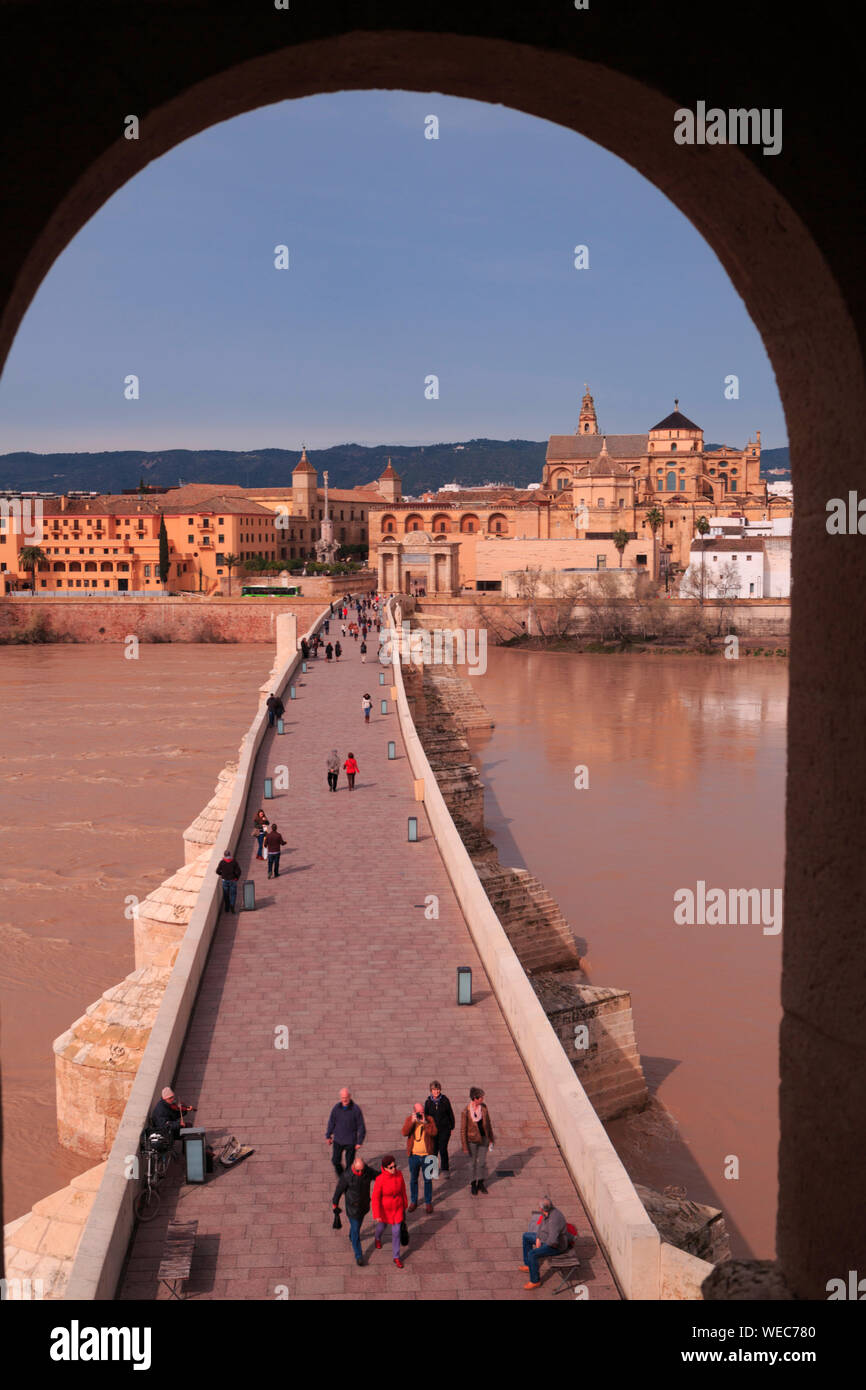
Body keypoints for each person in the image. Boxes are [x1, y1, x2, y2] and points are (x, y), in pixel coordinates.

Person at [332, 1155, 380, 1266]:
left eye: (362, 1170)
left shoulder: (366, 1171)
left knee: (356, 1227)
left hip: (363, 1206)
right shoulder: (347, 1176)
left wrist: (387, 1176)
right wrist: (335, 1204)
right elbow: (338, 1190)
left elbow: (377, 1175)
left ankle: (351, 1235)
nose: (360, 1172)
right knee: (356, 1230)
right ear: (353, 1166)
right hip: (353, 1208)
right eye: (358, 1170)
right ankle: (359, 1255)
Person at [521, 1197, 569, 1290]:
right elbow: (541, 1225)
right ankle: (528, 1265)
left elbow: (552, 1241)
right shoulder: (546, 1212)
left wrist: (541, 1248)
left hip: (556, 1246)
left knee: (533, 1254)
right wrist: (538, 1237)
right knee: (526, 1236)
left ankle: (535, 1281)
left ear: (541, 1209)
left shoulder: (554, 1220)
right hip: (545, 1238)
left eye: (539, 1207)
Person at [371, 1155, 408, 1269]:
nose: (394, 1169)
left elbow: (403, 1190)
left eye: (394, 1166)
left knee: (396, 1232)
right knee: (381, 1227)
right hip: (385, 1209)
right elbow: (375, 1198)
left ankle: (396, 1256)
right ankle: (377, 1238)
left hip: (397, 1207)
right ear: (385, 1168)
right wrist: (376, 1214)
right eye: (391, 1167)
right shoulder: (380, 1180)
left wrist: (405, 1204)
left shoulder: (399, 1175)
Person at [401, 1102, 438, 1213]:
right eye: (419, 1112)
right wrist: (413, 1121)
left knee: (428, 1180)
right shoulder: (410, 1119)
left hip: (427, 1155)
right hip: (414, 1156)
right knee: (413, 1179)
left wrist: (425, 1123)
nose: (421, 1114)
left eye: (422, 1112)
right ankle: (413, 1201)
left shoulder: (429, 1119)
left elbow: (434, 1132)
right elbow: (404, 1132)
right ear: (414, 1111)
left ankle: (428, 1202)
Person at [461, 1086, 495, 1194]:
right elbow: (463, 1130)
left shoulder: (484, 1108)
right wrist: (465, 1146)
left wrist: (491, 1138)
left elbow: (488, 1123)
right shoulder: (465, 1112)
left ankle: (480, 1182)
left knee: (481, 1163)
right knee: (472, 1164)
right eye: (481, 1098)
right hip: (472, 1141)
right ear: (475, 1098)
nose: (482, 1099)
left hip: (484, 1139)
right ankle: (473, 1184)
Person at [325, 1088, 366, 1176]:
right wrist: (328, 1136)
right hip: (338, 1140)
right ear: (340, 1097)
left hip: (350, 1142)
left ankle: (347, 1180)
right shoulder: (336, 1108)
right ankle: (342, 1176)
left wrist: (359, 1141)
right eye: (343, 1097)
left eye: (346, 1097)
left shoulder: (355, 1109)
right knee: (335, 1161)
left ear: (350, 1096)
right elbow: (331, 1122)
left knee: (349, 1164)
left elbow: (361, 1126)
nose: (344, 1099)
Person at [425, 1081, 456, 1180]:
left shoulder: (445, 1100)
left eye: (438, 1089)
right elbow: (426, 1116)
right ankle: (434, 1169)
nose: (436, 1091)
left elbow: (450, 1114)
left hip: (444, 1129)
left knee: (443, 1149)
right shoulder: (428, 1102)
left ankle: (445, 1169)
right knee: (433, 1150)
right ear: (431, 1091)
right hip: (433, 1130)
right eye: (434, 1090)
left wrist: (451, 1127)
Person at [215, 848, 242, 913]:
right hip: (233, 880)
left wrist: (222, 875)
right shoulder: (234, 862)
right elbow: (239, 871)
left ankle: (227, 908)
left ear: (224, 855)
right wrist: (236, 878)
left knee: (226, 894)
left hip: (225, 880)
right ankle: (232, 905)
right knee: (233, 894)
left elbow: (217, 871)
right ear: (230, 855)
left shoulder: (222, 862)